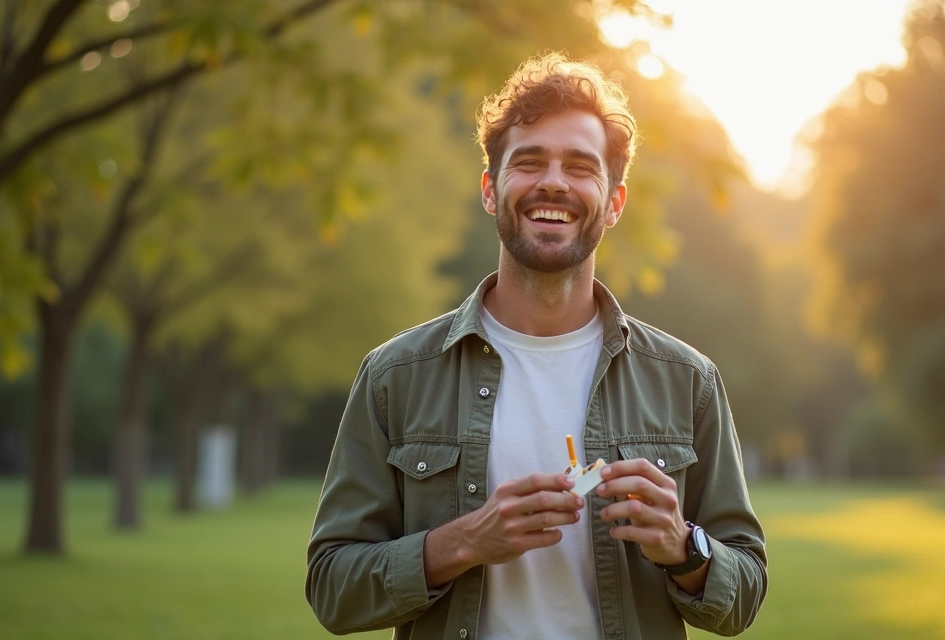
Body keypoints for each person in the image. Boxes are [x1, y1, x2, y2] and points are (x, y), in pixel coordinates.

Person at [305, 52, 767, 639]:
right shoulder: (396, 375)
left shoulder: (687, 380)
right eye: (528, 162)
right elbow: (331, 589)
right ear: (491, 190)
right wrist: (464, 541)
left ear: (615, 202)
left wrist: (684, 547)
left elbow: (744, 593)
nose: (553, 181)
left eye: (580, 166)